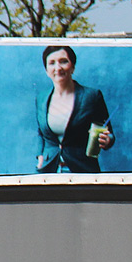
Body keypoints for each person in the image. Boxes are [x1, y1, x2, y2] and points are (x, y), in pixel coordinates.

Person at [36, 45, 115, 173]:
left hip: (82, 170)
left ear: (72, 67)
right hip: (48, 170)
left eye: (63, 61)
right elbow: (41, 132)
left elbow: (108, 132)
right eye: (52, 63)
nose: (58, 67)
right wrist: (40, 156)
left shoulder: (92, 96)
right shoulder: (41, 98)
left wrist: (107, 140)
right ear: (46, 70)